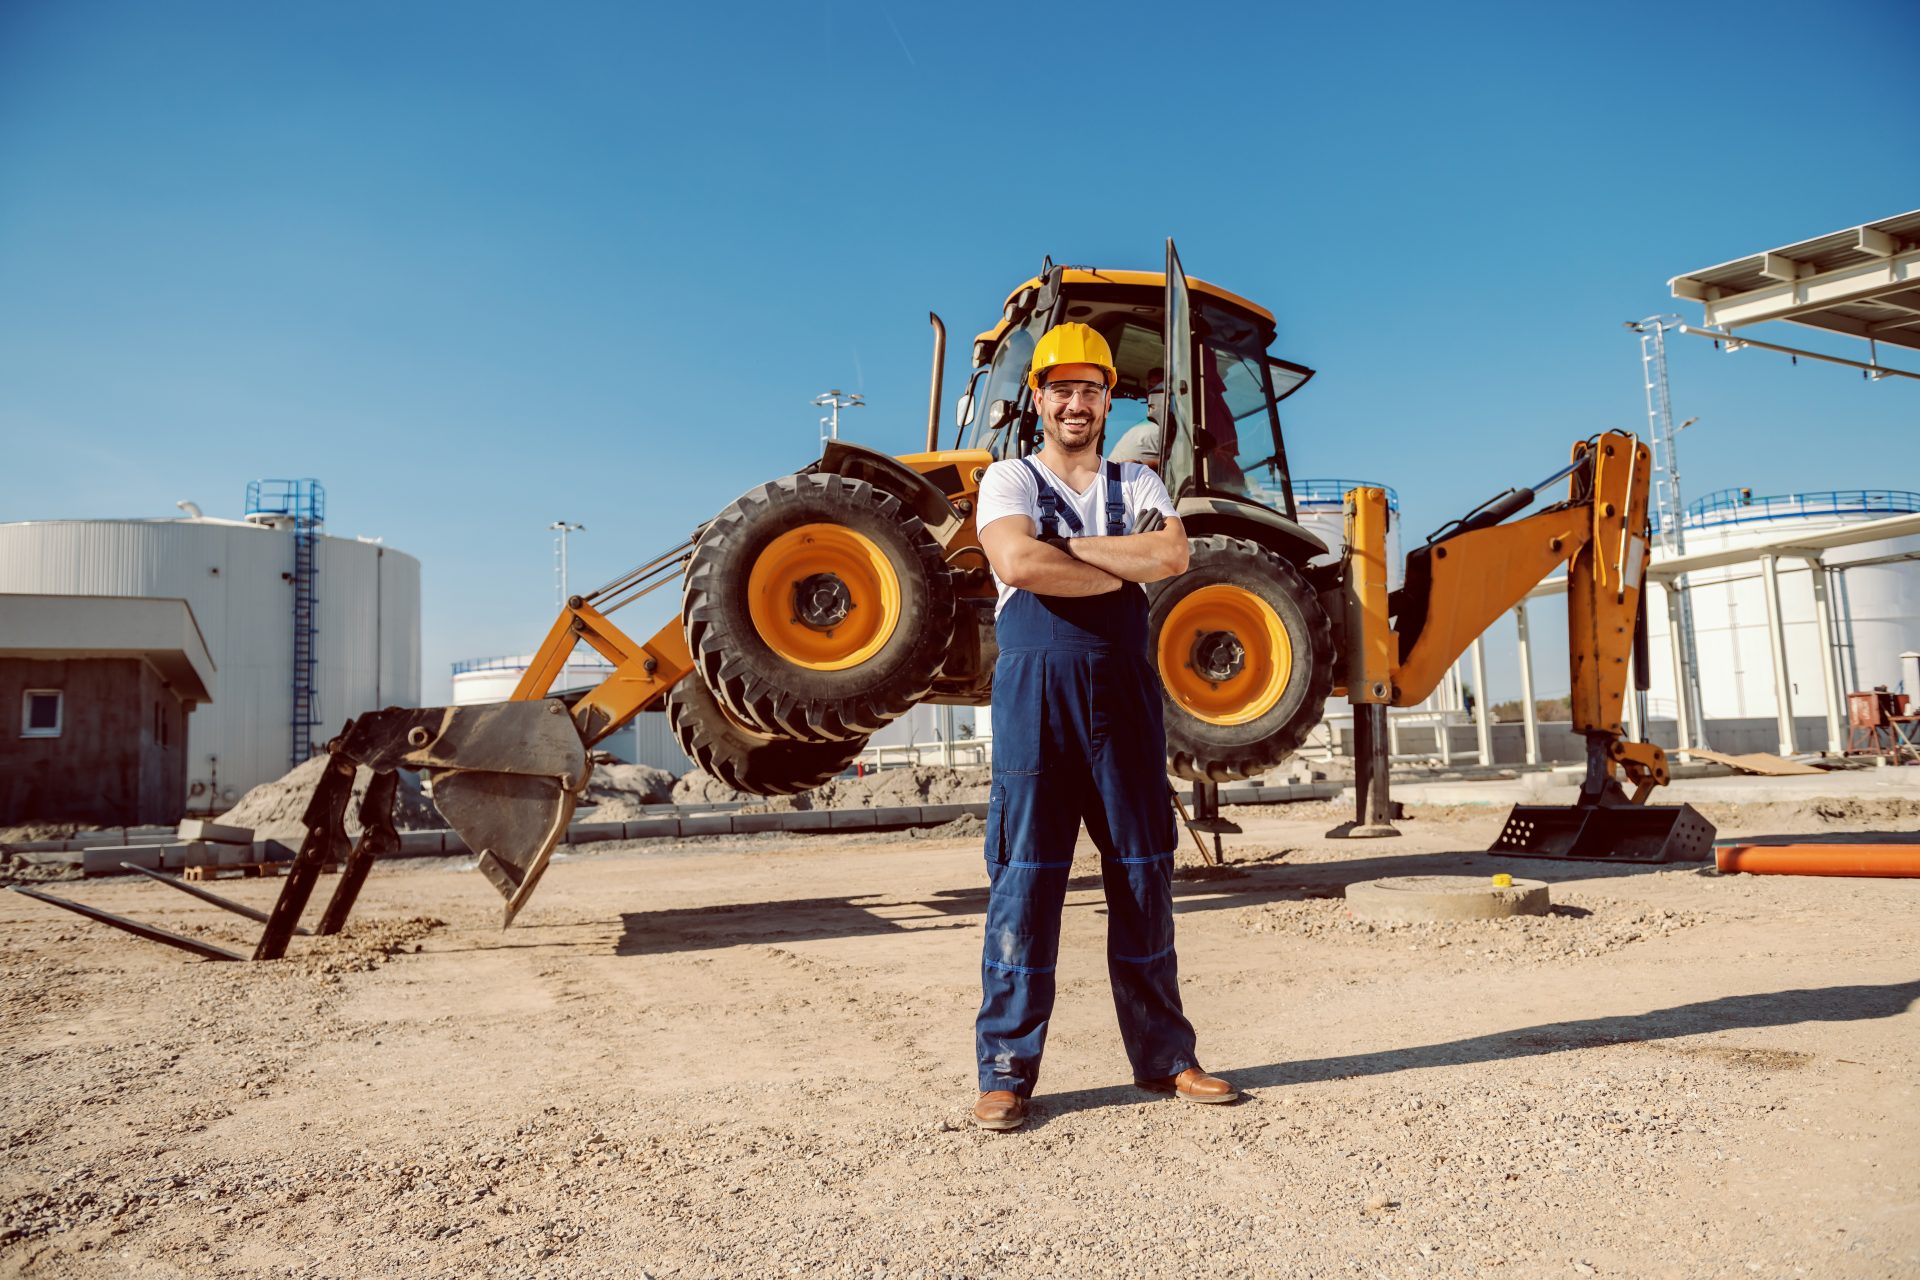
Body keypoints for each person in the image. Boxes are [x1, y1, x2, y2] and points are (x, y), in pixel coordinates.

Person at [968, 322, 1238, 1132]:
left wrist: (1070, 546)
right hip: (1034, 695)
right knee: (1025, 877)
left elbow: (1170, 560)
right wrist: (1115, 557)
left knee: (1143, 869)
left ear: (1107, 398)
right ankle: (1006, 1072)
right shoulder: (1006, 479)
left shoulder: (1140, 480)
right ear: (1039, 401)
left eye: (1091, 389)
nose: (1077, 403)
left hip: (1122, 695)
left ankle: (1165, 1058)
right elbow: (1016, 564)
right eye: (1062, 389)